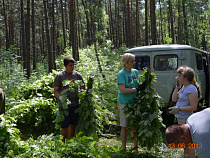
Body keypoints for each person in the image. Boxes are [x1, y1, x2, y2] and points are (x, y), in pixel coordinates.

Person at [168, 66, 201, 158]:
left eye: (179, 76)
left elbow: (193, 107)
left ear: (185, 78)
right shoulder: (184, 87)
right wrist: (177, 87)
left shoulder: (191, 88)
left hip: (186, 118)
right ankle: (185, 156)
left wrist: (179, 109)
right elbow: (174, 99)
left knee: (189, 141)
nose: (177, 78)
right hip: (181, 117)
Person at [117, 53, 146, 152]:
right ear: (126, 63)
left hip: (135, 102)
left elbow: (138, 84)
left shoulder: (135, 72)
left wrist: (145, 84)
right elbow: (123, 90)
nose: (134, 63)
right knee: (124, 126)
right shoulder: (121, 74)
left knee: (135, 126)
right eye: (131, 61)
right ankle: (124, 149)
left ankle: (135, 148)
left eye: (134, 61)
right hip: (124, 102)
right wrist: (136, 89)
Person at [54, 57, 85, 142]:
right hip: (64, 105)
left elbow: (83, 88)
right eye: (70, 65)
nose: (72, 67)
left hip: (75, 104)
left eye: (73, 65)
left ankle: (71, 142)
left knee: (73, 124)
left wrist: (87, 93)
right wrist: (61, 98)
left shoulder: (77, 75)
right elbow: (55, 90)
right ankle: (63, 142)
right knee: (64, 125)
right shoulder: (60, 76)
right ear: (65, 66)